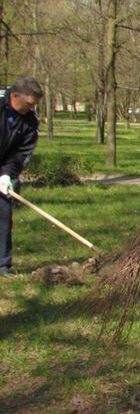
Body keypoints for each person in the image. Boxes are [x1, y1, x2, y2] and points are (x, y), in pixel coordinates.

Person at [0, 77, 44, 277]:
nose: (31, 108)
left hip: (3, 168)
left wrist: (7, 174)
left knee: (4, 215)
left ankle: (2, 265)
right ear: (15, 96)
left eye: (34, 105)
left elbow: (22, 152)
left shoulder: (29, 121)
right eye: (29, 104)